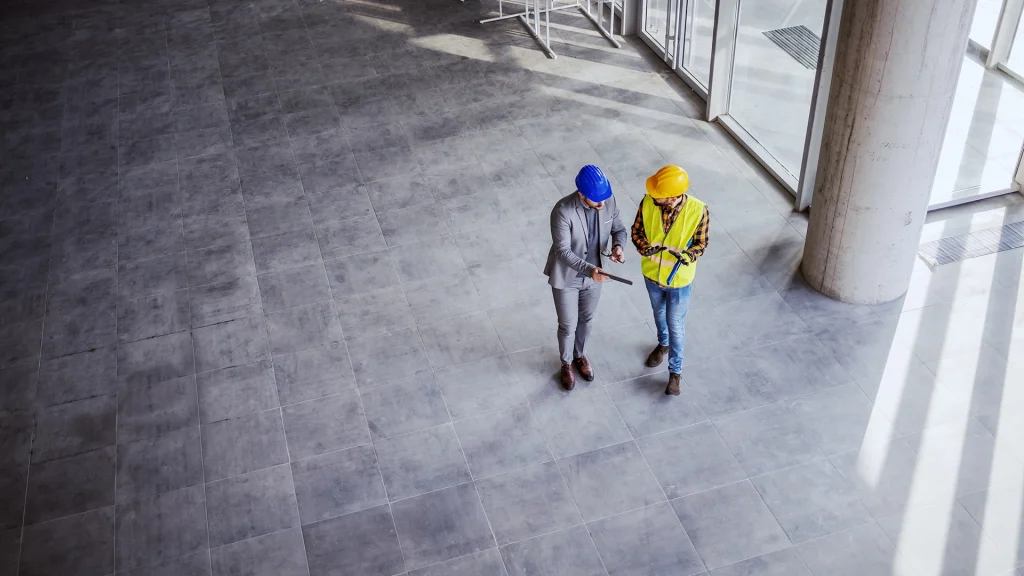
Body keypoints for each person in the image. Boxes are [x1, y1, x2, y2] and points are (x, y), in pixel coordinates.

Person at [543, 165, 627, 391]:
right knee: (568, 324)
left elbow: (619, 229)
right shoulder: (562, 210)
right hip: (568, 278)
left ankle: (580, 355)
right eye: (596, 201)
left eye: (604, 199)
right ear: (581, 195)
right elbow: (563, 251)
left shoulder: (607, 201)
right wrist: (590, 270)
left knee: (587, 319)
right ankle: (566, 363)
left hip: (595, 277)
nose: (602, 205)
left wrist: (618, 246)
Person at [631, 165, 709, 395]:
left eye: (659, 195)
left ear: (673, 197)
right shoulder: (647, 202)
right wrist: (645, 248)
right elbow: (637, 231)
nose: (653, 196)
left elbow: (701, 244)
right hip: (652, 274)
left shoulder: (698, 210)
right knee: (658, 313)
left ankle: (675, 372)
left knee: (675, 323)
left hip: (679, 281)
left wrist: (688, 256)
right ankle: (662, 344)